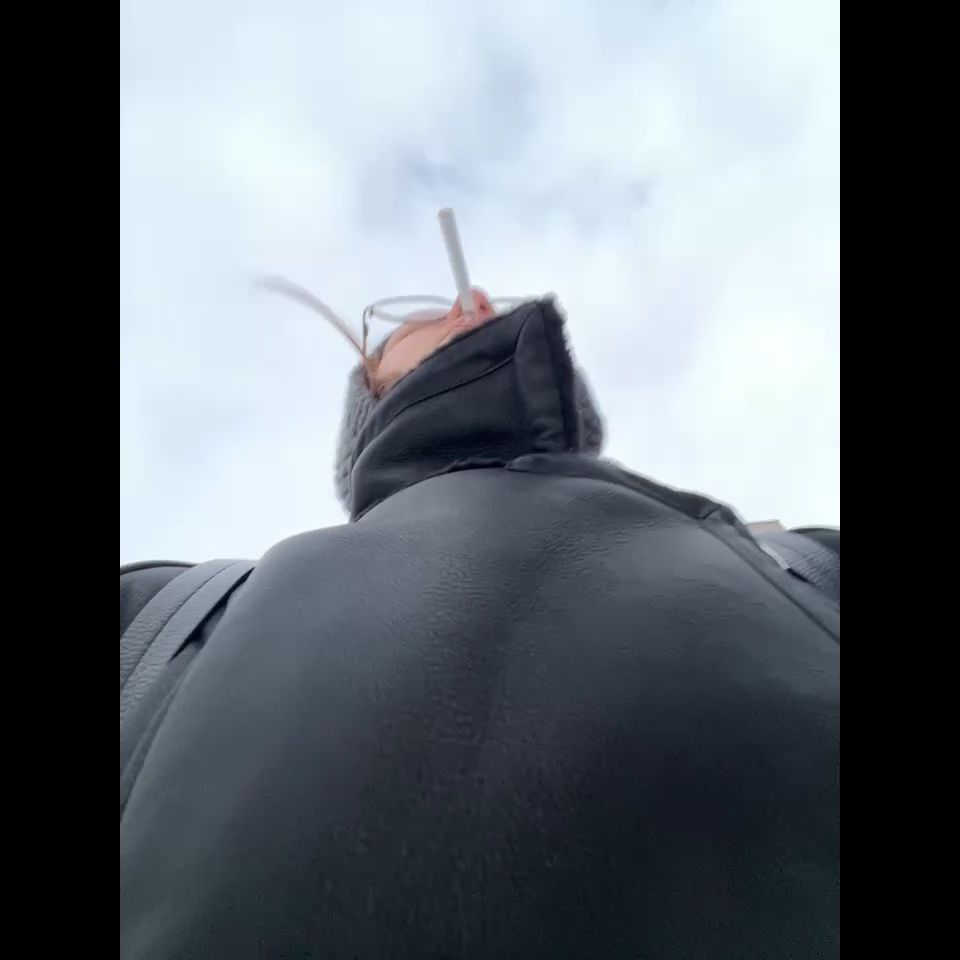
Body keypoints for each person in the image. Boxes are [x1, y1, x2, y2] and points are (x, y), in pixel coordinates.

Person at [120, 289, 839, 960]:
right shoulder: (158, 619)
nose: (476, 301)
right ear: (371, 394)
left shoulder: (814, 565)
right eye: (417, 316)